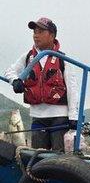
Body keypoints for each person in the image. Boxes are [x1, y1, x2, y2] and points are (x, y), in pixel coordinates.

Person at [4, 17, 79, 152]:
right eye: (34, 32)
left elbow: (72, 89)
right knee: (38, 157)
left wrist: (73, 117)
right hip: (37, 117)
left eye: (40, 31)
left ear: (52, 35)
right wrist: (15, 80)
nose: (35, 35)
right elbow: (10, 71)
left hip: (59, 118)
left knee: (58, 157)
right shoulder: (27, 57)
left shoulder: (64, 59)